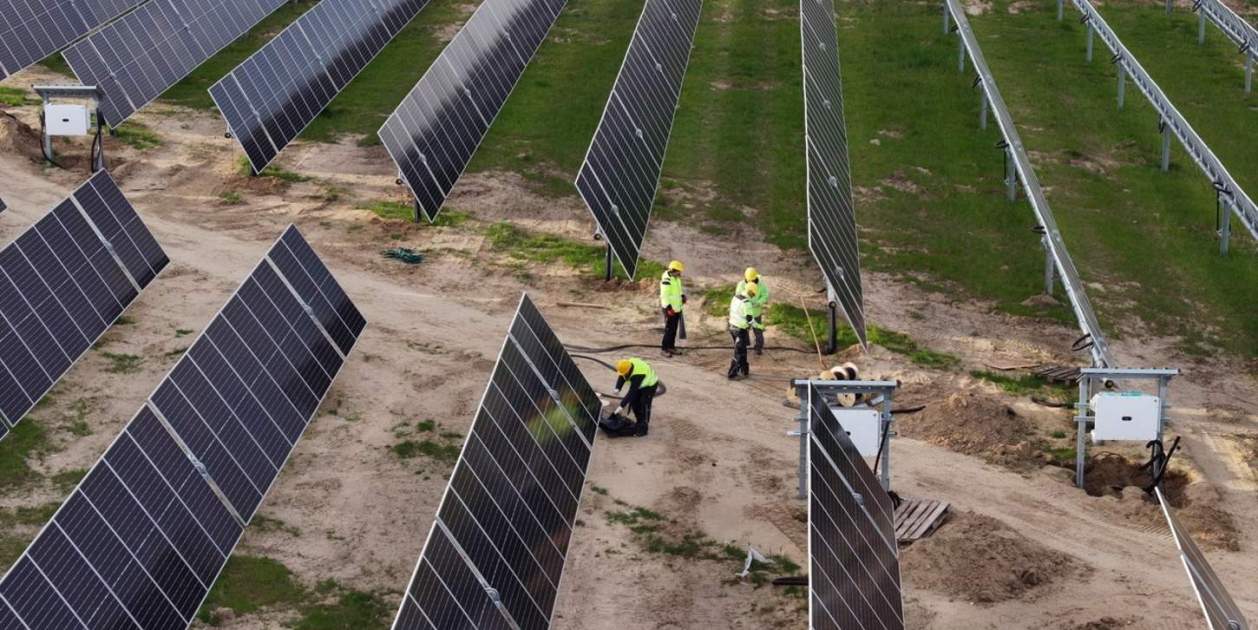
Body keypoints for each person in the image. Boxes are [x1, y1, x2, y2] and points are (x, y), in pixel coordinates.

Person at [613, 358, 658, 437]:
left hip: (650, 385)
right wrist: (618, 388)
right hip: (640, 384)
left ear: (628, 370)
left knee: (644, 405)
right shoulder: (626, 365)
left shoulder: (638, 374)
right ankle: (639, 422)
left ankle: (643, 429)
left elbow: (632, 392)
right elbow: (622, 376)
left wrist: (621, 406)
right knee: (634, 403)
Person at [735, 267, 769, 355]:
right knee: (743, 331)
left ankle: (758, 347)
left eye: (752, 281)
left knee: (758, 331)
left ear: (755, 277)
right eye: (749, 281)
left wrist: (758, 302)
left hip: (756, 313)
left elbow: (765, 295)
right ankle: (743, 346)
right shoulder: (741, 285)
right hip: (745, 313)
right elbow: (738, 296)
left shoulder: (761, 284)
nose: (751, 282)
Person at [727, 283, 757, 379]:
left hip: (732, 327)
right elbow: (750, 319)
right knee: (739, 351)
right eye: (753, 294)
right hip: (740, 329)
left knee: (742, 349)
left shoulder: (735, 297)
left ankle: (744, 369)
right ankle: (732, 373)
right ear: (751, 292)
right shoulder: (747, 303)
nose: (753, 296)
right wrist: (758, 326)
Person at [659, 260, 686, 356]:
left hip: (676, 308)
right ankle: (664, 349)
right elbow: (664, 295)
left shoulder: (676, 278)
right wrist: (668, 308)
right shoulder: (666, 280)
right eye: (678, 271)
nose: (680, 273)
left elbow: (679, 289)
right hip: (670, 309)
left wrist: (682, 295)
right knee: (669, 329)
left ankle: (671, 347)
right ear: (673, 270)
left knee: (674, 329)